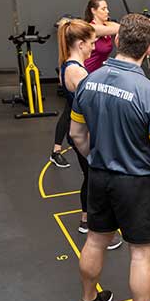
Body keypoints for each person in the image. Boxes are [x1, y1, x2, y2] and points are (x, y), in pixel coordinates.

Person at [70, 14, 150, 301]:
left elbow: (77, 135)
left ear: (117, 41)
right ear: (148, 50)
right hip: (137, 183)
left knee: (95, 239)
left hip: (99, 176)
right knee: (142, 255)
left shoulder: (88, 81)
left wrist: (99, 159)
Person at [49, 0, 150, 166]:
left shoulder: (107, 27)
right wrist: (147, 23)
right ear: (93, 11)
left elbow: (121, 29)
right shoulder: (91, 28)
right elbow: (125, 29)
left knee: (75, 112)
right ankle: (57, 149)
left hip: (96, 73)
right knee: (73, 113)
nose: (107, 11)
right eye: (103, 8)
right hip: (88, 74)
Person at [56, 19, 123, 249]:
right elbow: (95, 108)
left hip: (82, 131)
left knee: (90, 176)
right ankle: (98, 229)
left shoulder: (68, 64)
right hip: (84, 133)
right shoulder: (77, 72)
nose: (95, 48)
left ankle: (86, 220)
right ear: (81, 44)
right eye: (92, 44)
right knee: (97, 181)